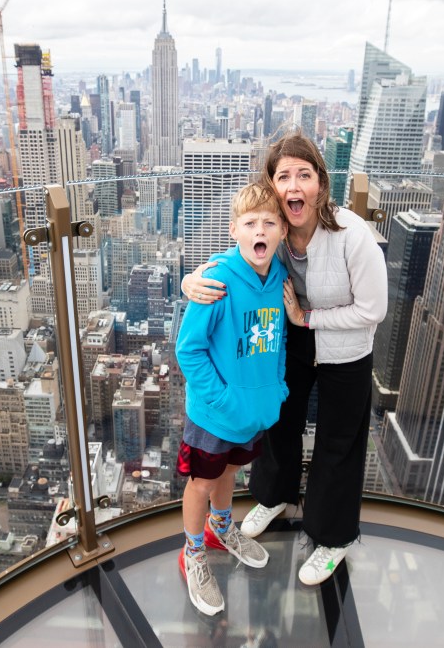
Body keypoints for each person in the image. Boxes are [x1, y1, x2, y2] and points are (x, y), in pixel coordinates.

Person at [183, 131, 387, 586]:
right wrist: (192, 278)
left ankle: (333, 538)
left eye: (305, 175)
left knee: (339, 442)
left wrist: (307, 318)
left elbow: (374, 310)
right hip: (291, 339)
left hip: (344, 348)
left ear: (321, 183)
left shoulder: (353, 236)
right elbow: (234, 261)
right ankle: (274, 495)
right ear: (272, 188)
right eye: (283, 177)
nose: (294, 186)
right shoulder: (273, 235)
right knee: (280, 423)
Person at [175, 183, 289, 615]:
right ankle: (193, 553)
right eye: (249, 223)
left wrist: (276, 387)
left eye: (268, 222)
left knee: (229, 472)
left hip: (253, 411)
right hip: (214, 413)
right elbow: (189, 349)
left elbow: (276, 341)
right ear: (233, 230)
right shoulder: (219, 279)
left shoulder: (278, 277)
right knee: (202, 482)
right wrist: (220, 399)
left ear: (280, 230)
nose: (259, 230)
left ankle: (222, 528)